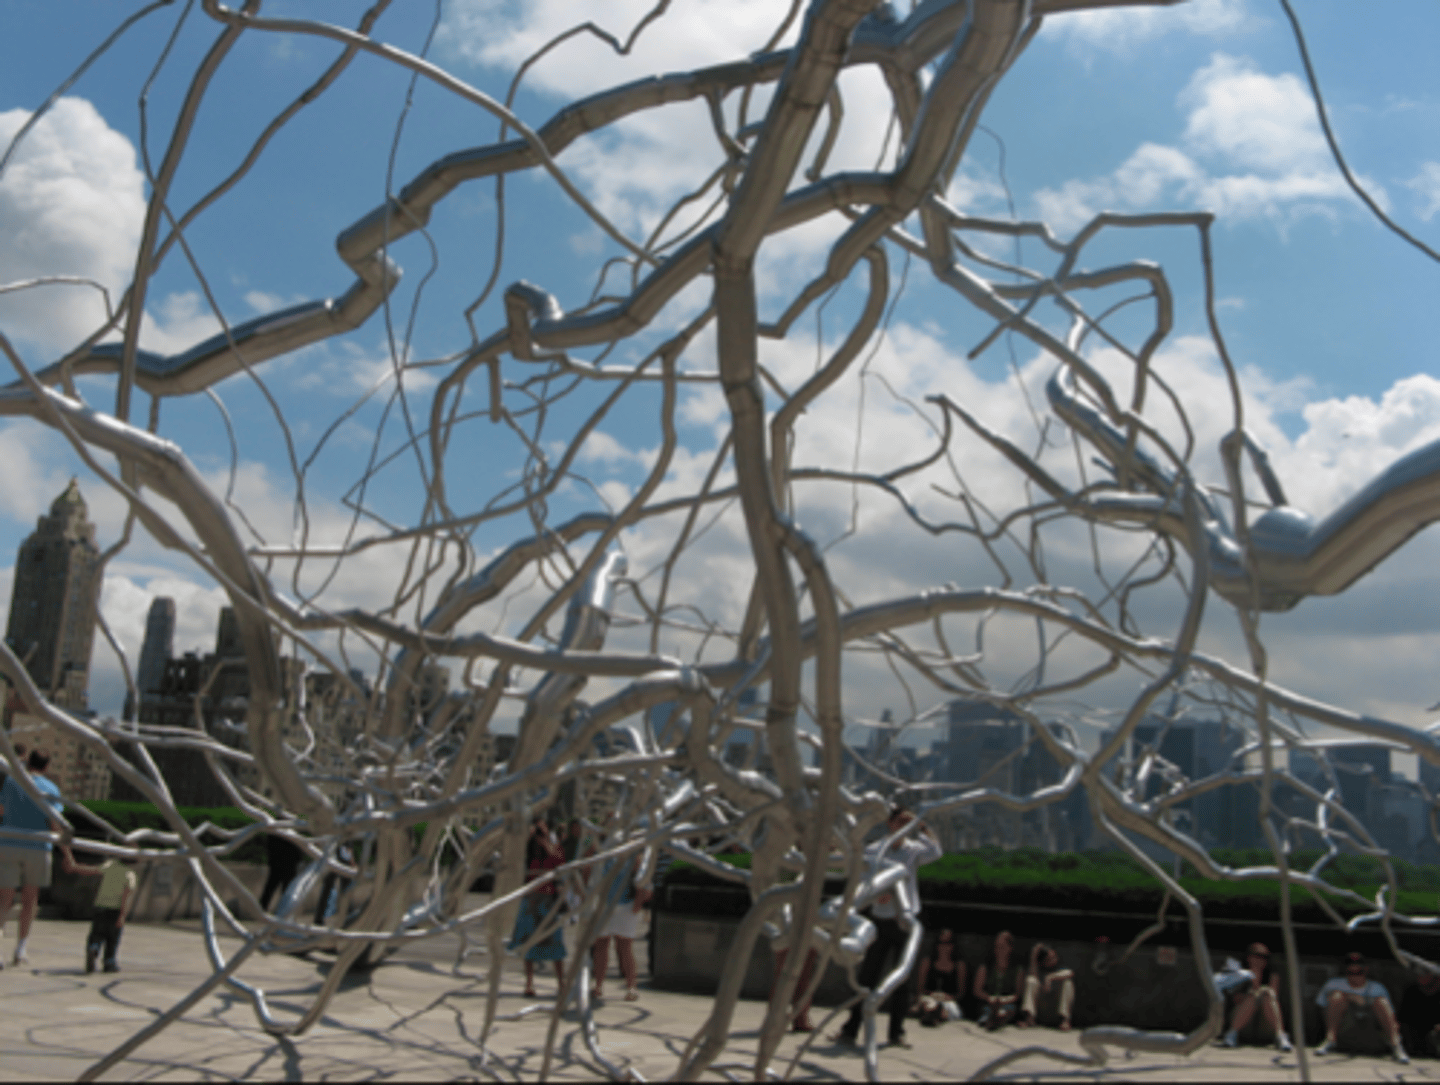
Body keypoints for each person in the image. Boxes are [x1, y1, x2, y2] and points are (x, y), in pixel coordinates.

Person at [832, 807, 942, 1050]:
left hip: (904, 920)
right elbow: (862, 881)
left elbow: (936, 851)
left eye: (907, 822)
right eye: (900, 821)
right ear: (890, 823)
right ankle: (850, 1029)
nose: (903, 825)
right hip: (880, 920)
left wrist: (921, 826)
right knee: (867, 977)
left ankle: (896, 1033)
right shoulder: (875, 850)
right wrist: (874, 896)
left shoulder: (913, 850)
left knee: (901, 979)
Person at [0, 749, 79, 968]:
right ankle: (21, 949)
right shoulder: (50, 788)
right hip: (37, 846)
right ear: (46, 766)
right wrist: (68, 856)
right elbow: (55, 823)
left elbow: (1, 809)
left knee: (4, 900)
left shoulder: (12, 782)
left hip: (8, 842)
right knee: (29, 899)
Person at [1314, 952, 1407, 1063]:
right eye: (1351, 972)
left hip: (1371, 1034)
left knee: (1381, 1001)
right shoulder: (1333, 984)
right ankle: (1329, 1040)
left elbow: (1392, 1018)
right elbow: (1320, 1008)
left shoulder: (1377, 987)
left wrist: (1367, 1002)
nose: (1355, 976)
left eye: (1359, 972)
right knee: (1336, 997)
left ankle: (1396, 1045)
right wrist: (1349, 998)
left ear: (1365, 971)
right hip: (1344, 1032)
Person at [509, 818, 567, 998]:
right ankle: (529, 983)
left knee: (555, 942)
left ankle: (561, 983)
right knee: (529, 942)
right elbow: (514, 860)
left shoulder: (553, 847)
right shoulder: (527, 849)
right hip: (531, 900)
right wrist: (529, 837)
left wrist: (546, 841)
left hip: (549, 900)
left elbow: (560, 863)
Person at [591, 842, 652, 1002]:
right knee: (601, 945)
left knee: (624, 947)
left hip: (626, 905)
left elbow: (644, 881)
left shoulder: (634, 856)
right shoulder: (605, 854)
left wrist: (638, 903)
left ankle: (632, 986)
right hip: (605, 904)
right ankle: (598, 985)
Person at [1220, 942, 1292, 1051]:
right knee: (1253, 995)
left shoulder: (1272, 973)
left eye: (1265, 957)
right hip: (1242, 1026)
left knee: (1266, 992)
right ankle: (1231, 1035)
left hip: (1265, 1027)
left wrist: (1260, 987)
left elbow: (1274, 998)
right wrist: (1254, 980)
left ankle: (1281, 1036)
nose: (1261, 960)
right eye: (1257, 955)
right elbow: (1236, 999)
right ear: (1249, 957)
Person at [83, 856, 138, 973]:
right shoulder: (130, 875)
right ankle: (109, 962)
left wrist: (74, 866)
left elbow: (92, 870)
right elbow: (125, 898)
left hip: (100, 907)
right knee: (112, 938)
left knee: (97, 933)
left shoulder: (110, 865)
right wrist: (122, 916)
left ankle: (94, 948)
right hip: (115, 910)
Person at [1019, 942, 1075, 1032]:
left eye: (1054, 957)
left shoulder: (1059, 968)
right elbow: (1032, 975)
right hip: (1042, 1010)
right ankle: (1029, 1018)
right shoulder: (1039, 970)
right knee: (1031, 980)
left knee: (1068, 983)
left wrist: (1050, 977)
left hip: (1056, 1011)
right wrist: (1034, 955)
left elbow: (1070, 973)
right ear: (1043, 962)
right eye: (1049, 959)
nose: (1054, 960)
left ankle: (1065, 1021)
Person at [974, 930, 1022, 1031]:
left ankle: (995, 1019)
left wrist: (1004, 1000)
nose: (999, 950)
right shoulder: (985, 967)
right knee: (987, 1009)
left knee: (1008, 1010)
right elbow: (977, 990)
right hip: (988, 1002)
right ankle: (990, 1018)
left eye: (1003, 947)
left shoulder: (1017, 969)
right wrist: (989, 998)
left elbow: (1017, 994)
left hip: (1007, 1003)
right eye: (997, 947)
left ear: (1010, 948)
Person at [915, 929, 965, 1022]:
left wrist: (947, 997)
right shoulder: (927, 962)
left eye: (948, 943)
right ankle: (933, 1014)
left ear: (953, 945)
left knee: (950, 1009)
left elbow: (960, 993)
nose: (944, 947)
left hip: (948, 1000)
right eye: (941, 943)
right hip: (929, 997)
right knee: (930, 1003)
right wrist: (933, 994)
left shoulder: (959, 965)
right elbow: (920, 989)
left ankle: (937, 1015)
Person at [1399, 967, 1440, 1059]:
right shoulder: (1411, 990)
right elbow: (1403, 1017)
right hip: (1415, 1028)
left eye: (1425, 973)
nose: (1420, 976)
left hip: (1434, 1030)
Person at [260, 832, 305, 912]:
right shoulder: (291, 831)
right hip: (288, 863)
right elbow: (297, 846)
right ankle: (283, 910)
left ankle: (262, 908)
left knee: (271, 887)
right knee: (286, 889)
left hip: (278, 863)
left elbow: (269, 846)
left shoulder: (274, 832)